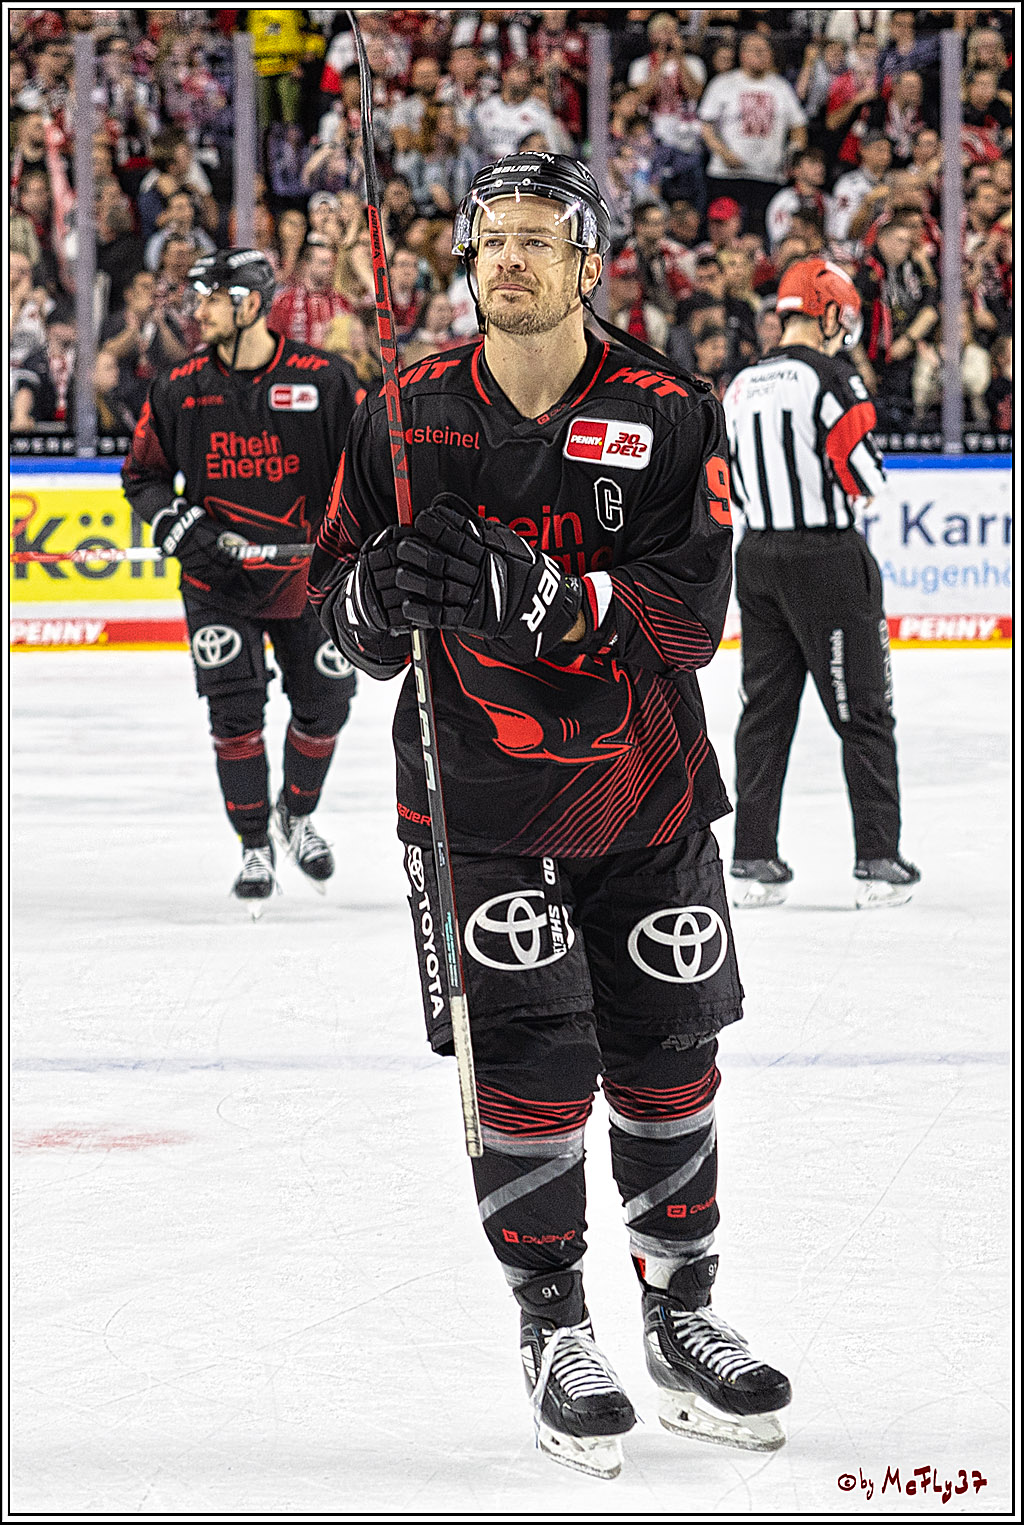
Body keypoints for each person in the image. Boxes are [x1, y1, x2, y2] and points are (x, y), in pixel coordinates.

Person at [308, 153, 791, 1480]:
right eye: (489, 237)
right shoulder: (399, 412)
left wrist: (545, 597)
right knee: (524, 1072)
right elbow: (338, 609)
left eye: (537, 237)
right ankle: (556, 1325)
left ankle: (682, 1318)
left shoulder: (671, 410)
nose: (508, 257)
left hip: (645, 794)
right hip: (476, 809)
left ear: (593, 261)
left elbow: (691, 622)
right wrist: (370, 605)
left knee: (667, 1053)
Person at [121, 248, 360, 909]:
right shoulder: (179, 386)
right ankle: (255, 841)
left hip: (307, 580)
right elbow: (140, 476)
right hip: (216, 581)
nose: (198, 312)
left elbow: (362, 468)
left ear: (249, 303)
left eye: (210, 298)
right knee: (234, 714)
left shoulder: (325, 379)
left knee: (327, 702)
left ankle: (296, 813)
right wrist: (190, 535)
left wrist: (350, 538)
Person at [722, 258, 920, 910]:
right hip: (827, 560)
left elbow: (725, 480)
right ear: (829, 311)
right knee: (863, 709)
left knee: (765, 712)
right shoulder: (832, 377)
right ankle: (877, 859)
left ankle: (752, 858)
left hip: (756, 558)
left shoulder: (740, 383)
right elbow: (865, 477)